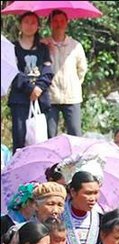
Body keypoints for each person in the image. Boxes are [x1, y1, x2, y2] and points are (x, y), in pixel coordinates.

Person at [8, 12, 53, 152]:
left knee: (41, 140)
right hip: (20, 100)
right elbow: (13, 71)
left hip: (40, 99)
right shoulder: (12, 48)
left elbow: (48, 70)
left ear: (38, 26)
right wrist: (29, 88)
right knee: (20, 139)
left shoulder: (43, 48)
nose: (29, 25)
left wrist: (39, 87)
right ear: (20, 25)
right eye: (26, 22)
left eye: (33, 22)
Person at [43, 9, 87, 137]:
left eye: (62, 21)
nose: (59, 24)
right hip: (50, 96)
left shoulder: (75, 46)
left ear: (67, 23)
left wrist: (74, 84)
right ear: (50, 23)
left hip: (72, 96)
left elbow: (82, 69)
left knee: (75, 133)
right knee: (50, 135)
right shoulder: (44, 44)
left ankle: (76, 158)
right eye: (55, 21)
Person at [63, 171, 102, 244]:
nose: (93, 198)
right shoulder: (58, 217)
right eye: (88, 193)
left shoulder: (101, 219)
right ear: (73, 192)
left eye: (96, 193)